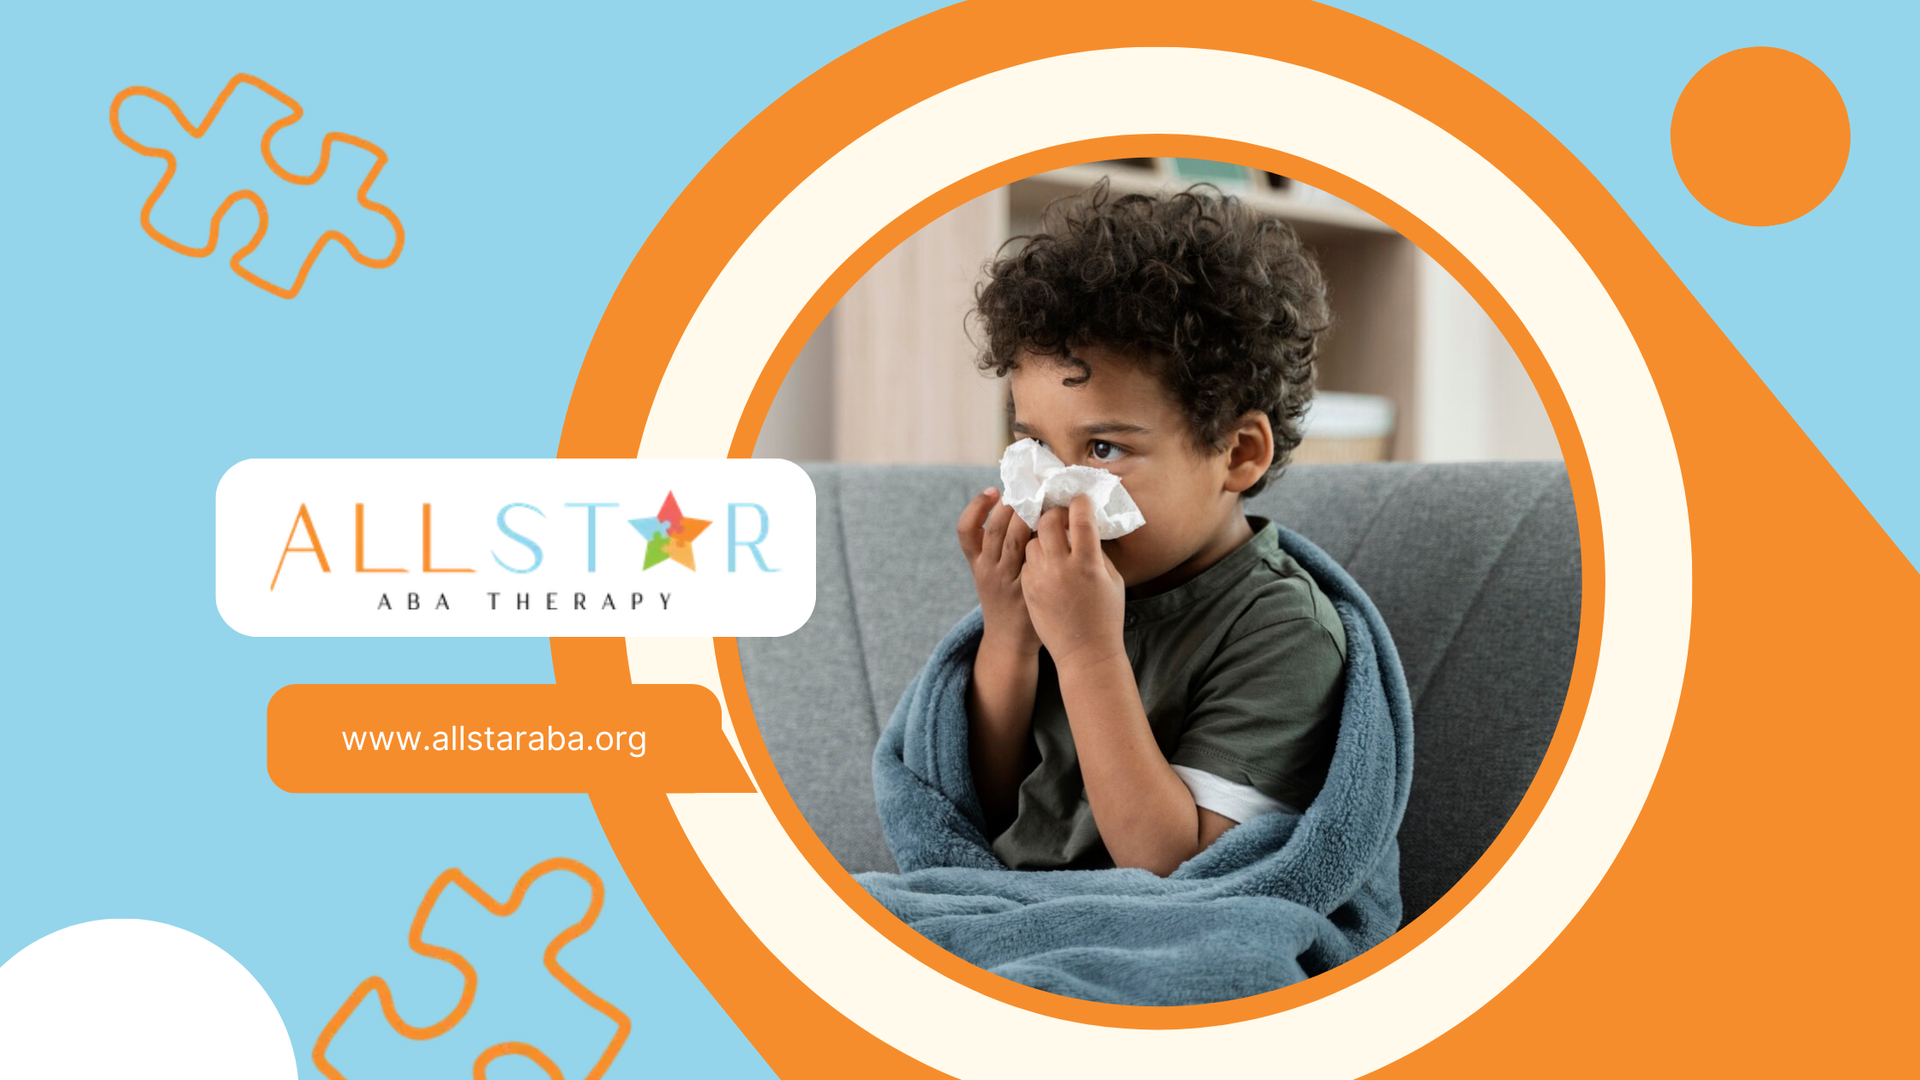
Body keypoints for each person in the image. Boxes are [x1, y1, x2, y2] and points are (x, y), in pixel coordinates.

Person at [957, 179, 1346, 875]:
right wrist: (1009, 634)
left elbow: (1180, 868)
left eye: (1104, 450)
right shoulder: (1070, 583)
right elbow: (982, 808)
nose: (1056, 491)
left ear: (1239, 453)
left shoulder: (1282, 629)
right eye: (1040, 448)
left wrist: (1086, 655)